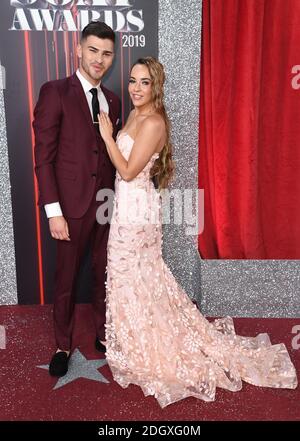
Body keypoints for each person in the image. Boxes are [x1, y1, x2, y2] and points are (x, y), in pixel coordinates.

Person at [98, 56, 298, 408]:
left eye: (144, 82)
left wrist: (105, 137)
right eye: (132, 80)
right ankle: (133, 339)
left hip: (136, 211)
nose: (136, 88)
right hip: (128, 208)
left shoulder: (154, 122)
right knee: (133, 275)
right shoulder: (134, 114)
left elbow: (128, 171)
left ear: (155, 86)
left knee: (134, 272)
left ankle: (149, 344)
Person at [33, 21, 120, 377]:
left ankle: (102, 332)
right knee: (66, 278)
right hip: (69, 208)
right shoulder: (55, 91)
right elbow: (44, 157)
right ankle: (62, 344)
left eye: (106, 53)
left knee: (103, 273)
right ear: (79, 50)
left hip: (106, 204)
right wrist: (54, 211)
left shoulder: (113, 100)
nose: (99, 60)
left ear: (112, 57)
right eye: (93, 51)